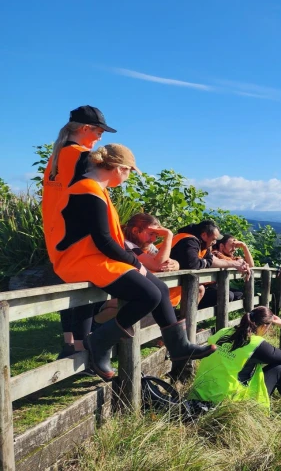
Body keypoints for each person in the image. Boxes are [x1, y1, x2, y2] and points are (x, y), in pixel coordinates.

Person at [45, 144, 215, 381]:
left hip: (95, 259)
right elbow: (104, 241)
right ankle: (99, 341)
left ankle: (178, 347)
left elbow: (106, 241)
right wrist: (137, 264)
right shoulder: (87, 190)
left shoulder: (95, 189)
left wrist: (135, 263)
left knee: (161, 289)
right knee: (149, 294)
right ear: (118, 168)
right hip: (80, 261)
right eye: (129, 171)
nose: (128, 177)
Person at [42, 106, 116, 358]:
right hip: (79, 235)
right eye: (98, 130)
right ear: (84, 129)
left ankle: (69, 343)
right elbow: (86, 200)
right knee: (88, 291)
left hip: (55, 232)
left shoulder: (55, 157)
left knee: (69, 287)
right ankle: (83, 348)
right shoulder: (84, 157)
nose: (100, 137)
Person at [190, 306, 281, 419]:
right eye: (269, 327)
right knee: (280, 369)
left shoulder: (223, 332)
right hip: (225, 402)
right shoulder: (255, 344)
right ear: (263, 326)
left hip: (199, 393)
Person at [169, 220, 250, 310]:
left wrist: (235, 264)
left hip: (171, 293)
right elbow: (192, 264)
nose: (215, 242)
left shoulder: (202, 245)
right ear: (204, 235)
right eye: (214, 239)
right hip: (163, 287)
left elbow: (213, 261)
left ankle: (187, 321)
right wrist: (206, 262)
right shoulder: (189, 241)